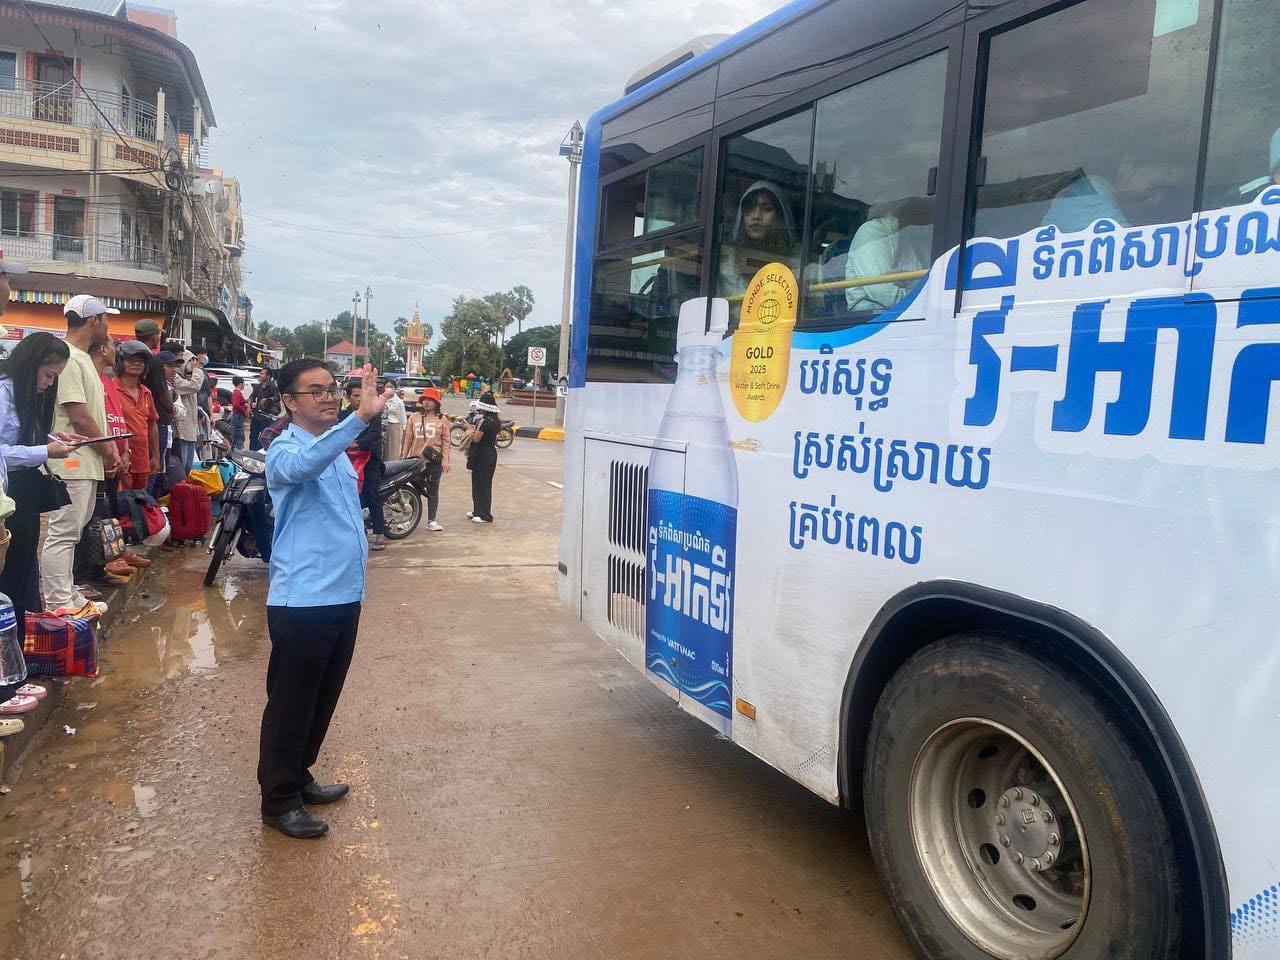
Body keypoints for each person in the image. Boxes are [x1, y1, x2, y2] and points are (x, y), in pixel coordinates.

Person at [257, 360, 391, 839]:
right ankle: (278, 800)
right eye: (315, 391)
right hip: (303, 602)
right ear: (289, 402)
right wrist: (360, 418)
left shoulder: (334, 450)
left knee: (321, 698)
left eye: (332, 389)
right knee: (291, 704)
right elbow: (302, 466)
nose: (328, 397)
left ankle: (299, 774)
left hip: (343, 595)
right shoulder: (284, 450)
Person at [0, 333, 81, 669]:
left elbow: (20, 437)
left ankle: (18, 658)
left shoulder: (25, 396)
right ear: (32, 364)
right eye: (48, 375)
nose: (49, 383)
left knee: (22, 573)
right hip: (8, 494)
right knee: (10, 575)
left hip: (25, 494)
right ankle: (9, 665)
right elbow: (3, 451)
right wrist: (44, 451)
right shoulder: (4, 393)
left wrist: (52, 439)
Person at [43, 295, 120, 618]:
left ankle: (68, 592)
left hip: (84, 462)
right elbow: (80, 416)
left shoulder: (83, 359)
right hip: (71, 461)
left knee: (73, 532)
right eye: (106, 319)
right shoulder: (70, 358)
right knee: (63, 533)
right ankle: (58, 602)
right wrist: (109, 450)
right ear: (94, 320)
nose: (108, 326)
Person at [844, 196, 934, 315]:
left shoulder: (905, 236)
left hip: (902, 313)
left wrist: (907, 279)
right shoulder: (871, 232)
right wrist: (922, 298)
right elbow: (885, 295)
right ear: (899, 211)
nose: (925, 226)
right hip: (868, 316)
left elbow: (924, 281)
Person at [717, 180, 799, 299]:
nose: (756, 216)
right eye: (749, 209)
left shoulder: (798, 264)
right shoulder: (727, 264)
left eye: (767, 209)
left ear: (781, 218)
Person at [340, 379, 387, 551]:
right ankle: (358, 531)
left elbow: (375, 435)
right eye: (355, 396)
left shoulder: (373, 414)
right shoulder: (343, 415)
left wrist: (357, 444)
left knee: (372, 494)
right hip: (348, 461)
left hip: (370, 460)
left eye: (362, 395)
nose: (359, 399)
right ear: (349, 397)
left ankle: (380, 533)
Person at [401, 387, 449, 531]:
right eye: (424, 400)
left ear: (436, 403)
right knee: (412, 491)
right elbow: (408, 438)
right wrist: (404, 456)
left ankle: (431, 521)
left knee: (433, 491)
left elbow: (446, 441)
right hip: (415, 461)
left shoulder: (442, 419)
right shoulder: (414, 417)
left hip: (434, 461)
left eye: (430, 400)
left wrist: (445, 461)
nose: (426, 402)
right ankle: (409, 519)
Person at [115, 341, 160, 491]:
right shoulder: (110, 389)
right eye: (131, 360)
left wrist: (156, 456)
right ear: (120, 362)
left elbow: (152, 424)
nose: (137, 364)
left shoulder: (146, 392)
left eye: (141, 361)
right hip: (120, 460)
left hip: (142, 461)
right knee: (122, 502)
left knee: (140, 501)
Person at [465, 393, 500, 524]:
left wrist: (470, 430)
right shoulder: (496, 420)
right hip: (490, 454)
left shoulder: (485, 421)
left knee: (481, 484)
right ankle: (478, 511)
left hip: (482, 455)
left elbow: (476, 439)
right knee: (483, 484)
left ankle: (485, 515)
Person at [173, 349, 205, 474]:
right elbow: (194, 386)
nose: (193, 364)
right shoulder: (175, 378)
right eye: (190, 361)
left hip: (191, 430)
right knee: (182, 466)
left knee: (188, 466)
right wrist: (196, 370)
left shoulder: (188, 377)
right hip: (182, 430)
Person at [250, 367, 280, 450]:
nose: (260, 375)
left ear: (268, 376)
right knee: (253, 436)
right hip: (257, 415)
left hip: (266, 416)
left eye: (262, 374)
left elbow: (277, 397)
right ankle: (251, 453)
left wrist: (267, 400)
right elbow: (252, 396)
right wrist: (249, 407)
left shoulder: (272, 386)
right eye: (260, 373)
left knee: (263, 437)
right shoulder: (258, 386)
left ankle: (260, 453)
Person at [383, 385, 406, 463]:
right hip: (382, 426)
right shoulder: (381, 398)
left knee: (392, 449)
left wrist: (404, 430)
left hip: (393, 426)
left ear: (395, 389)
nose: (389, 389)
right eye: (387, 386)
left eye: (391, 387)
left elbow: (402, 417)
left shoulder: (399, 402)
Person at [230, 376, 248, 448]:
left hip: (237, 416)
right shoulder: (237, 393)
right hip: (238, 417)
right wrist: (244, 411)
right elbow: (236, 404)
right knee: (239, 435)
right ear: (240, 384)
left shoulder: (236, 393)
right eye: (243, 383)